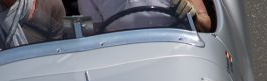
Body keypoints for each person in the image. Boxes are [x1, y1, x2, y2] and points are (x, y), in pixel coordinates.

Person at [77, 0, 212, 32]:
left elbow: (206, 24)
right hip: (118, 56)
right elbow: (89, 30)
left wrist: (192, 16)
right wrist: (70, 28)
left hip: (175, 48)